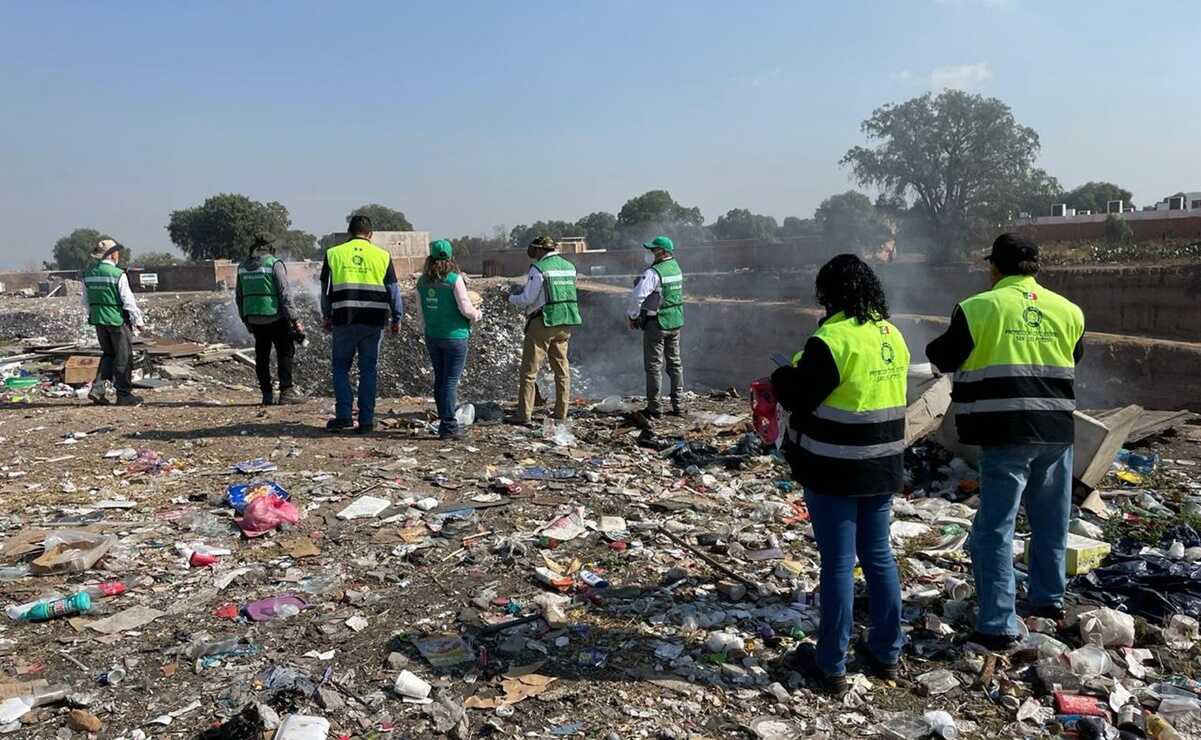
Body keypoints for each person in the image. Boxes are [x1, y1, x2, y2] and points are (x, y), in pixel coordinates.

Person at [926, 233, 1084, 650]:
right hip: (1056, 431)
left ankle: (997, 623)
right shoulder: (1069, 311)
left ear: (994, 268)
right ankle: (1048, 599)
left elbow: (943, 356)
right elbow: (1074, 356)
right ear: (1036, 267)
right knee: (1051, 520)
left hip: (1006, 432)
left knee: (995, 527)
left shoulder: (978, 308)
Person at [771, 254, 909, 693]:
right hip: (883, 465)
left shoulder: (831, 340)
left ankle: (831, 664)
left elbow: (799, 395)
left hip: (835, 468)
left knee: (838, 564)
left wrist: (781, 375)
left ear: (828, 294)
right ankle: (887, 652)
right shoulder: (892, 334)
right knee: (879, 556)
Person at [319, 215, 404, 434]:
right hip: (373, 321)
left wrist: (326, 316)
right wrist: (397, 318)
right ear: (370, 235)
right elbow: (393, 290)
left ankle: (344, 416)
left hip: (343, 319)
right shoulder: (383, 256)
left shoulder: (333, 254)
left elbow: (325, 290)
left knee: (340, 367)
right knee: (368, 369)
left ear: (349, 233)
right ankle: (366, 420)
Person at [505, 236, 581, 426]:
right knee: (562, 370)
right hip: (565, 321)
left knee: (529, 372)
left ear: (539, 249)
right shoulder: (569, 267)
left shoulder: (539, 269)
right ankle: (561, 412)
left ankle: (524, 414)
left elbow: (528, 298)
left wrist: (510, 298)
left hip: (543, 321)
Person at [416, 239, 482, 440]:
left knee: (441, 379)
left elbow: (420, 312)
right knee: (450, 381)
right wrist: (477, 314)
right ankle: (449, 426)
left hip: (433, 335)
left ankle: (445, 420)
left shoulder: (422, 282)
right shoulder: (454, 280)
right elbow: (465, 308)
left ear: (430, 258)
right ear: (451, 258)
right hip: (455, 336)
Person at [235, 234, 305, 406]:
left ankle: (266, 394)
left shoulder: (242, 267)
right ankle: (286, 391)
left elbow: (239, 297)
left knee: (262, 355)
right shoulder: (274, 264)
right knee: (285, 352)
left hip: (254, 318)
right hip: (275, 316)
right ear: (271, 247)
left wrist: (245, 319)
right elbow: (285, 294)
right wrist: (295, 320)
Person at [626, 235, 685, 417]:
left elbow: (638, 296)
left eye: (653, 250)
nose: (650, 253)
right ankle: (679, 405)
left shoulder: (653, 272)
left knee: (653, 366)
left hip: (657, 323)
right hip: (675, 321)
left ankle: (655, 408)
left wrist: (633, 316)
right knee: (675, 364)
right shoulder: (676, 268)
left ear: (663, 252)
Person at [82, 239, 145, 406]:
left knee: (108, 355)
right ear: (112, 254)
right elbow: (128, 300)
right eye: (117, 252)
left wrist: (94, 315)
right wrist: (138, 320)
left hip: (98, 320)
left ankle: (97, 390)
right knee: (124, 357)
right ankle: (124, 395)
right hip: (117, 320)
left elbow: (85, 300)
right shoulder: (117, 274)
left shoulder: (88, 273)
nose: (119, 255)